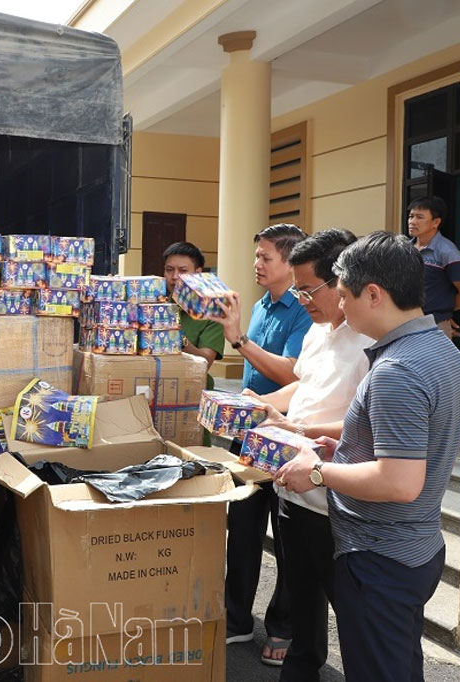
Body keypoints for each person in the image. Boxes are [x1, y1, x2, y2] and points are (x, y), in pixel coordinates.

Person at [276, 231, 460, 682]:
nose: (341, 307)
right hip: (414, 547)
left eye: (344, 295)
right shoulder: (441, 350)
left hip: (379, 556)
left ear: (374, 294)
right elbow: (409, 446)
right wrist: (343, 450)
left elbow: (399, 482)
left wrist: (319, 472)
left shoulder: (396, 370)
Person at [250, 229, 372, 681]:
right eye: (297, 289)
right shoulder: (318, 332)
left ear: (340, 281)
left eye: (307, 289)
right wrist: (264, 405)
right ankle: (301, 666)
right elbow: (303, 386)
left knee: (352, 610)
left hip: (332, 497)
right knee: (300, 599)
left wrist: (299, 429)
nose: (301, 300)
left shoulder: (370, 343)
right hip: (291, 487)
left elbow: (365, 425)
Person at [207, 222, 311, 665]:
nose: (257, 264)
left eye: (266, 257)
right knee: (243, 526)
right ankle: (237, 618)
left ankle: (283, 626)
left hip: (286, 434)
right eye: (256, 256)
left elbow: (292, 373)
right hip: (249, 433)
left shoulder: (304, 309)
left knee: (286, 535)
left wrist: (239, 340)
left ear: (290, 262)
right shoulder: (260, 305)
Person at [407, 195, 460, 338]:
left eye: (419, 217)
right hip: (404, 324)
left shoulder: (448, 252)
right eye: (411, 216)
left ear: (436, 222)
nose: (412, 221)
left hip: (433, 328)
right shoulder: (404, 249)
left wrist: (443, 313)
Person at [162, 241, 225, 384]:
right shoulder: (155, 305)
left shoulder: (212, 313)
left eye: (183, 271)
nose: (174, 276)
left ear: (197, 273)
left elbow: (204, 362)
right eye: (169, 269)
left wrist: (179, 339)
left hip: (191, 388)